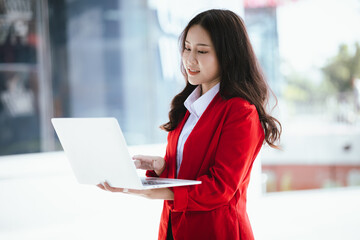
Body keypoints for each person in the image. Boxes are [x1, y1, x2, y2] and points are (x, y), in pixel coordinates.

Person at [97, 9, 281, 240]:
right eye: (187, 48)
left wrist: (151, 192)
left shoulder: (240, 112)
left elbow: (220, 187)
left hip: (216, 232)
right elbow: (191, 171)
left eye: (202, 51)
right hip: (174, 228)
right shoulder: (187, 106)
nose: (190, 59)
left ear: (228, 56)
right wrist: (162, 167)